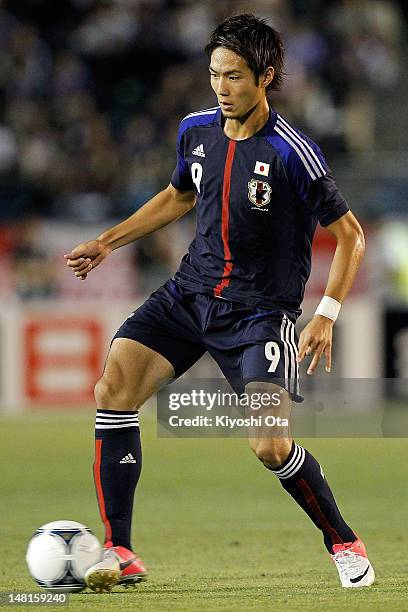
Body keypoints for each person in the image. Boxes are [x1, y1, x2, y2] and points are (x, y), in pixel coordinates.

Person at [65, 14, 374, 592]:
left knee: (269, 445)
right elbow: (179, 195)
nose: (221, 88)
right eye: (214, 74)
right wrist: (108, 242)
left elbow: (351, 234)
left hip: (259, 313)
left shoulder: (291, 154)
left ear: (266, 78)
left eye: (233, 76)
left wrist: (325, 315)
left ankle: (343, 541)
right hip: (189, 295)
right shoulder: (195, 131)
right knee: (114, 390)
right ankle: (121, 549)